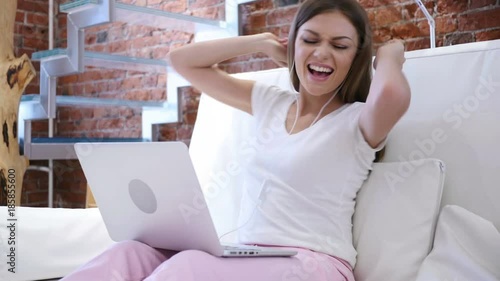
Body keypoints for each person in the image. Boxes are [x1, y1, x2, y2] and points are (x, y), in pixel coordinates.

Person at [62, 0, 410, 280]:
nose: (321, 53)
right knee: (129, 253)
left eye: (340, 45)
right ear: (293, 45)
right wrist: (259, 44)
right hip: (249, 256)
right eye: (310, 39)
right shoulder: (272, 103)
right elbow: (182, 62)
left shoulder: (359, 121)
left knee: (186, 269)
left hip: (313, 265)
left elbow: (392, 93)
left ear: (357, 56)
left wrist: (390, 55)